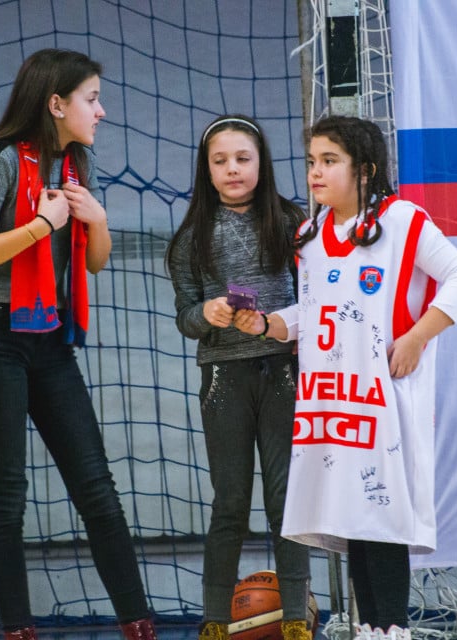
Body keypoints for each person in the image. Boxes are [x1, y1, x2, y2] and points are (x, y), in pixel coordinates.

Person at [235, 115, 457, 640]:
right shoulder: (311, 236)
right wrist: (268, 323)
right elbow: (312, 310)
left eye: (329, 161)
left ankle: (393, 629)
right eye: (311, 162)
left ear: (364, 170)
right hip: (330, 397)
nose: (315, 173)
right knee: (351, 513)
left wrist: (417, 337)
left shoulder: (404, 221)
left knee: (382, 511)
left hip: (385, 396)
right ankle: (370, 628)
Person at [0, 49, 157, 640]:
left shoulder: (77, 162)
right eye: (92, 98)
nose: (102, 110)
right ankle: (18, 629)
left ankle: (137, 624)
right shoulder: (4, 160)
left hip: (48, 338)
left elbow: (93, 264)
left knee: (96, 487)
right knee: (6, 495)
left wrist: (100, 221)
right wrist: (42, 226)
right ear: (57, 103)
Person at [165, 115, 313, 640]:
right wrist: (206, 313)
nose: (232, 169)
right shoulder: (189, 238)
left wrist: (277, 326)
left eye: (242, 159)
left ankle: (296, 616)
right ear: (206, 170)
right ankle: (215, 622)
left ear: (261, 163)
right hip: (223, 379)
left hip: (284, 375)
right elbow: (185, 317)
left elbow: (315, 303)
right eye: (219, 161)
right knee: (229, 501)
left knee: (285, 499)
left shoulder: (295, 223)